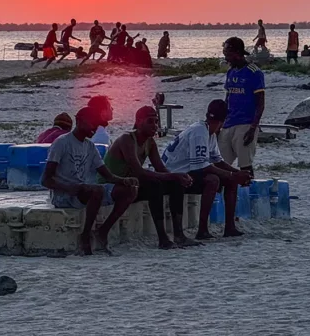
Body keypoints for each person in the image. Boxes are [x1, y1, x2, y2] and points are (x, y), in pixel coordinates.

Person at [41, 107, 139, 255]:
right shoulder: (61, 143)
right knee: (96, 190)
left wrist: (125, 181)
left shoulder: (90, 146)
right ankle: (85, 235)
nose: (94, 127)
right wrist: (69, 188)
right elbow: (45, 180)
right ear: (79, 121)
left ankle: (102, 231)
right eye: (91, 123)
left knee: (130, 190)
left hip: (86, 191)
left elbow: (108, 176)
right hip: (65, 195)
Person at [103, 106, 195, 248]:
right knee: (154, 185)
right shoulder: (127, 139)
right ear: (139, 122)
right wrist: (173, 175)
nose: (155, 126)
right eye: (150, 122)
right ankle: (162, 238)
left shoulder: (150, 143)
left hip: (131, 184)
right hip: (113, 185)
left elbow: (161, 169)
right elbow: (139, 172)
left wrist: (178, 177)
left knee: (176, 183)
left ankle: (179, 234)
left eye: (156, 122)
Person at [161, 99, 252, 240]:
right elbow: (202, 167)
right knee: (212, 180)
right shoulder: (200, 132)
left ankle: (230, 227)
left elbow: (218, 161)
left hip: (188, 170)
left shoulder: (209, 132)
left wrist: (237, 173)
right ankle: (202, 229)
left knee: (230, 180)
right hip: (174, 173)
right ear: (224, 120)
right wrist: (232, 174)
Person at [218, 37, 265, 178]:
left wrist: (253, 128)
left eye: (228, 54)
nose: (226, 58)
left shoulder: (254, 73)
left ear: (237, 53)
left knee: (245, 165)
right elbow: (228, 98)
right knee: (219, 163)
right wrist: (220, 124)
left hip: (245, 124)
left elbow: (261, 104)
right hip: (228, 124)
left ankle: (248, 193)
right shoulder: (230, 72)